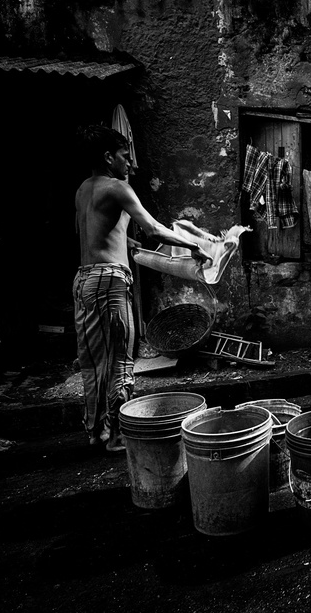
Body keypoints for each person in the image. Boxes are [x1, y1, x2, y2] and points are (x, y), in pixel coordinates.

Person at [73, 125, 215, 452]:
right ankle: (118, 436)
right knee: (122, 358)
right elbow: (155, 229)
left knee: (94, 360)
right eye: (125, 156)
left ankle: (97, 432)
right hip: (109, 281)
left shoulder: (83, 189)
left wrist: (127, 243)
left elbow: (93, 235)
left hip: (84, 280)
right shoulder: (118, 188)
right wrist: (192, 245)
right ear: (108, 157)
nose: (130, 164)